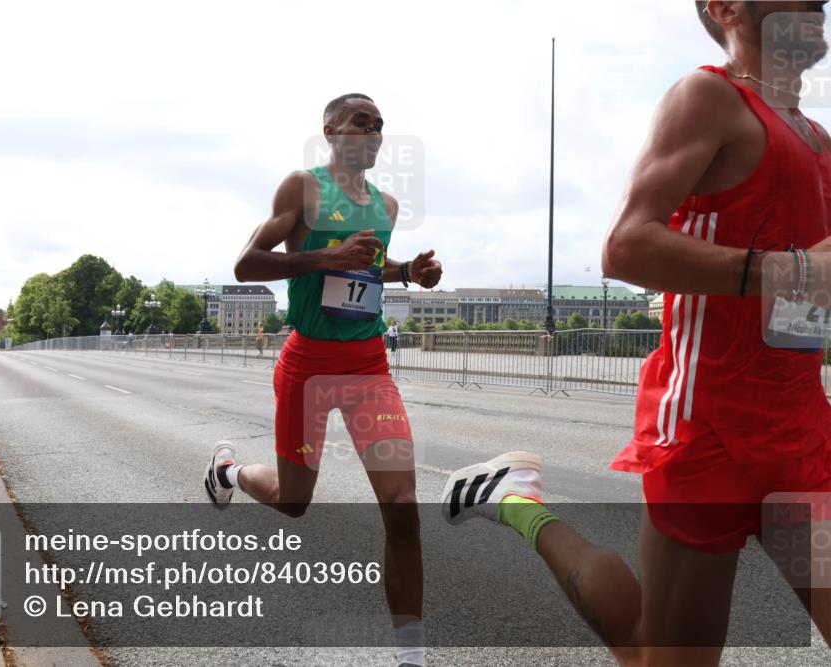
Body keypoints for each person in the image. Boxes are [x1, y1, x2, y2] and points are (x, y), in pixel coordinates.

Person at [443, 2, 831, 664]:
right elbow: (625, 247)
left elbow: (809, 291)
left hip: (799, 430)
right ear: (725, 8)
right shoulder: (709, 98)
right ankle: (518, 504)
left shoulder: (820, 142)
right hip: (708, 433)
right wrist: (792, 270)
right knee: (651, 649)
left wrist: (809, 280)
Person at [204, 93, 442, 667]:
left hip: (367, 368)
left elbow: (368, 265)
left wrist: (407, 271)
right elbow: (248, 263)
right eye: (364, 122)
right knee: (293, 502)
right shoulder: (301, 187)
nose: (375, 132)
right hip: (308, 365)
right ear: (331, 129)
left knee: (404, 507)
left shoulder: (385, 203)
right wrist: (327, 256)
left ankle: (411, 657)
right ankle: (227, 470)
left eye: (381, 126)